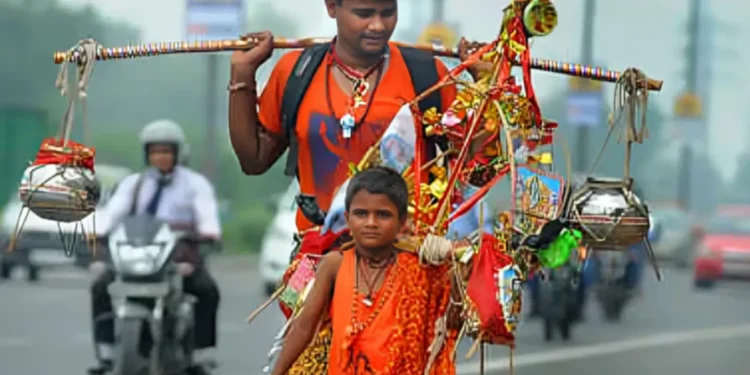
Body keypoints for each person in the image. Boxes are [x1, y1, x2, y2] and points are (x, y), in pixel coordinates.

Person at [228, 0, 488, 259]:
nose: (378, 26)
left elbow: (479, 172)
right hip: (318, 258)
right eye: (363, 14)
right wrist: (242, 75)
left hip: (407, 264)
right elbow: (254, 160)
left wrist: (488, 85)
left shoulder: (427, 76)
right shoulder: (296, 73)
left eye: (388, 13)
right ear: (332, 7)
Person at [270, 166, 459, 375]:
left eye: (383, 215)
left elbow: (451, 321)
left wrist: (457, 265)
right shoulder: (334, 264)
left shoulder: (419, 269)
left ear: (402, 221)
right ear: (348, 217)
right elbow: (304, 328)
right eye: (361, 214)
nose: (371, 223)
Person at [87, 119, 221, 375]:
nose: (161, 157)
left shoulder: (195, 185)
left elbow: (207, 218)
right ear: (147, 154)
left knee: (207, 289)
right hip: (140, 255)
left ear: (178, 153)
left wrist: (207, 233)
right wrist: (97, 233)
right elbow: (112, 214)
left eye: (166, 151)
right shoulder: (133, 184)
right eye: (155, 151)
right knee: (101, 285)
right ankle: (106, 355)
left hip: (180, 256)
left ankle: (202, 357)